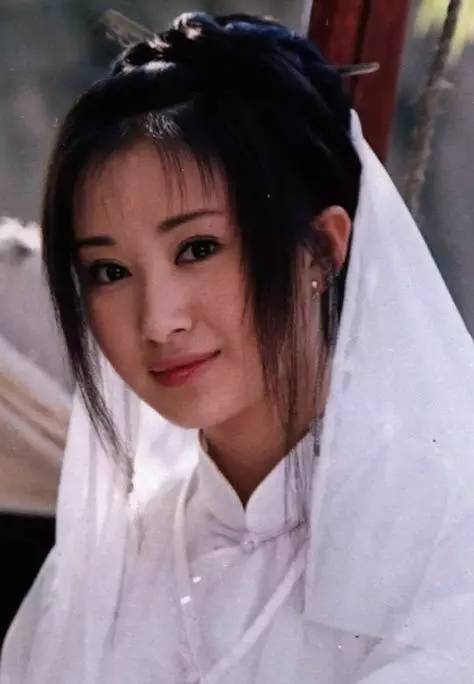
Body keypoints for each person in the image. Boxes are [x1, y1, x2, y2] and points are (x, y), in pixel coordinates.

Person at [2, 12, 474, 684]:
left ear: (320, 249)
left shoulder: (447, 538)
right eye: (109, 271)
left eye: (198, 249)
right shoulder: (102, 573)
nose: (158, 321)